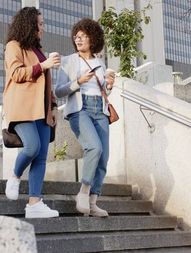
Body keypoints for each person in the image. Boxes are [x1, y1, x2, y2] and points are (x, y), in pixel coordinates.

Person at [3, 7, 60, 219]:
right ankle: (15, 176)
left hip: (42, 110)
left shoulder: (38, 50)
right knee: (32, 147)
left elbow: (45, 84)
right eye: (40, 24)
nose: (43, 28)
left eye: (43, 24)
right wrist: (43, 65)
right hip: (22, 109)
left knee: (42, 158)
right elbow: (16, 73)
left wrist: (52, 108)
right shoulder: (13, 46)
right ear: (29, 24)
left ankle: (35, 203)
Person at [55, 18, 116, 217]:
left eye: (84, 36)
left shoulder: (99, 62)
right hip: (80, 110)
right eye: (77, 36)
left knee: (104, 156)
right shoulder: (68, 61)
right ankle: (83, 191)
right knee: (94, 147)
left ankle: (93, 201)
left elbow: (103, 90)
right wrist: (78, 81)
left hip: (100, 109)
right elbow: (58, 91)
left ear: (93, 39)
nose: (79, 39)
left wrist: (109, 84)